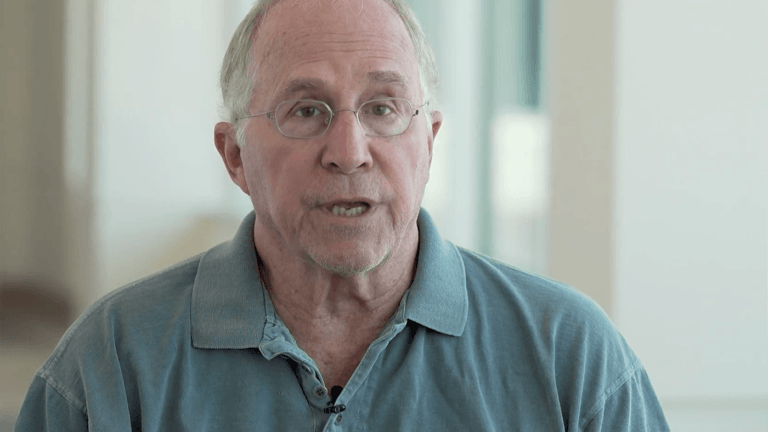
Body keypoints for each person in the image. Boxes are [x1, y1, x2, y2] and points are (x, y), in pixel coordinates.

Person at [15, 0, 670, 430]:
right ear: (234, 155)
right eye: (307, 110)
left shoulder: (572, 358)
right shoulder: (107, 367)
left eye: (384, 108)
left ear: (430, 141)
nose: (349, 152)